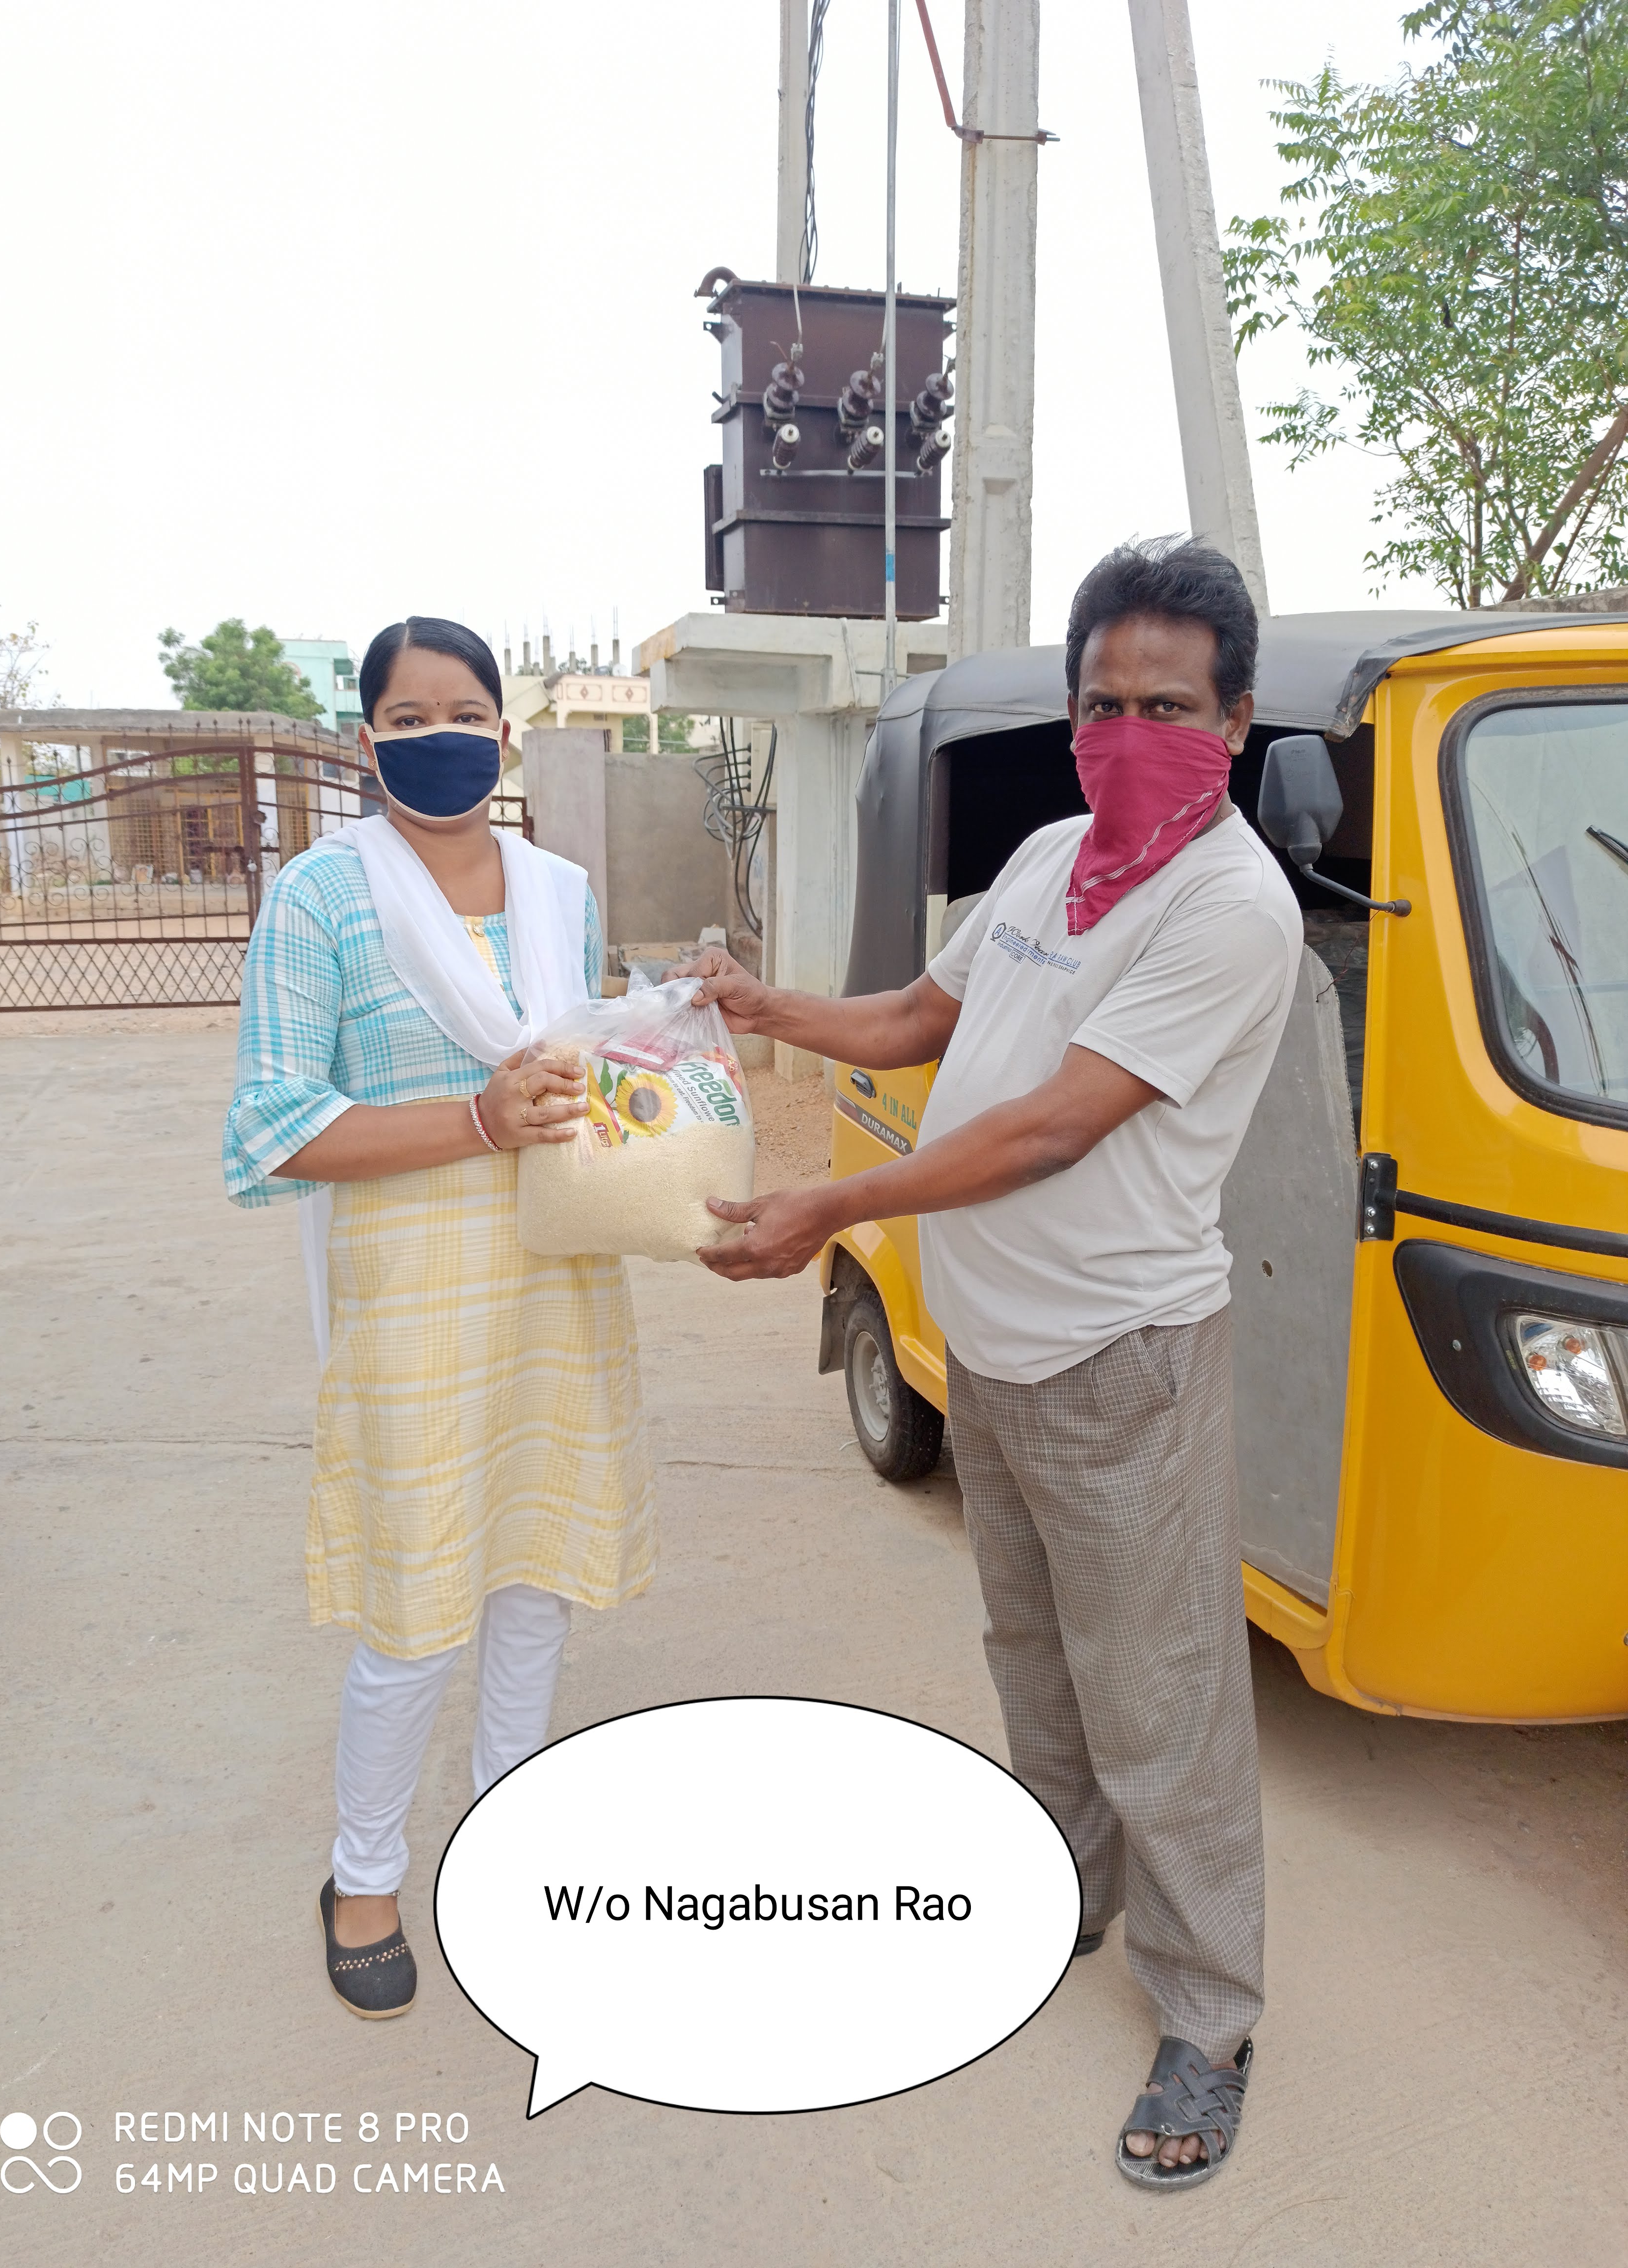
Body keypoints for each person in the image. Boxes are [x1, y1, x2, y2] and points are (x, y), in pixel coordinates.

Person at [681, 540, 1301, 2187]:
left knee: (1159, 1691)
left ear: (1235, 720)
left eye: (1168, 706)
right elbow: (915, 1023)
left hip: (1121, 1357)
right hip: (998, 1350)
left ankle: (1210, 2010)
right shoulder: (1047, 857)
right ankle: (1065, 1888)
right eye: (1102, 702)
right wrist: (762, 1005)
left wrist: (831, 1203)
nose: (1127, 732)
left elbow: (1048, 1126)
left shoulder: (1230, 907)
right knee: (1033, 1648)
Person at [223, 615, 656, 2019]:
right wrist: (475, 1120)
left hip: (557, 1277)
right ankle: (363, 1876)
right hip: (412, 1289)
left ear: (506, 733)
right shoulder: (322, 897)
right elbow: (274, 1130)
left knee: (533, 1580)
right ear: (369, 743)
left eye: (465, 712)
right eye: (409, 719)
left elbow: (577, 1066)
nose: (440, 737)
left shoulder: (560, 892)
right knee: (416, 1605)